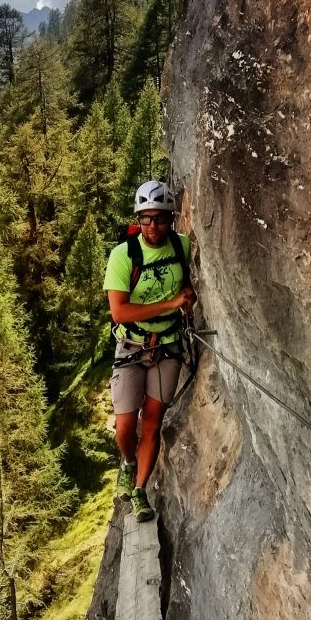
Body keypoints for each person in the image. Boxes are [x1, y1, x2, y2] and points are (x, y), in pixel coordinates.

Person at [103, 181, 195, 521]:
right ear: (138, 220)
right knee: (126, 426)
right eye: (146, 219)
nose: (152, 226)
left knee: (152, 423)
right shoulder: (123, 256)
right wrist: (170, 303)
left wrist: (187, 296)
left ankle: (140, 491)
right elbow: (120, 312)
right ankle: (128, 463)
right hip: (131, 345)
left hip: (167, 345)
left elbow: (187, 281)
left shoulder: (180, 246)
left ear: (170, 219)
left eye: (159, 219)